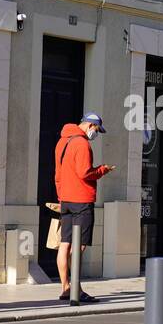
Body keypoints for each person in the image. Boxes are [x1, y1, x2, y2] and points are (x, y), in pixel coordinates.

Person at [54, 112, 115, 303]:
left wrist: (61, 195)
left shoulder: (61, 142)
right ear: (90, 125)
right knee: (78, 248)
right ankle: (76, 290)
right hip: (82, 200)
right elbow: (84, 172)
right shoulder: (82, 144)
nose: (96, 134)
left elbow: (57, 174)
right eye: (97, 130)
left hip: (66, 200)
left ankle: (66, 288)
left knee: (64, 245)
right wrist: (102, 170)